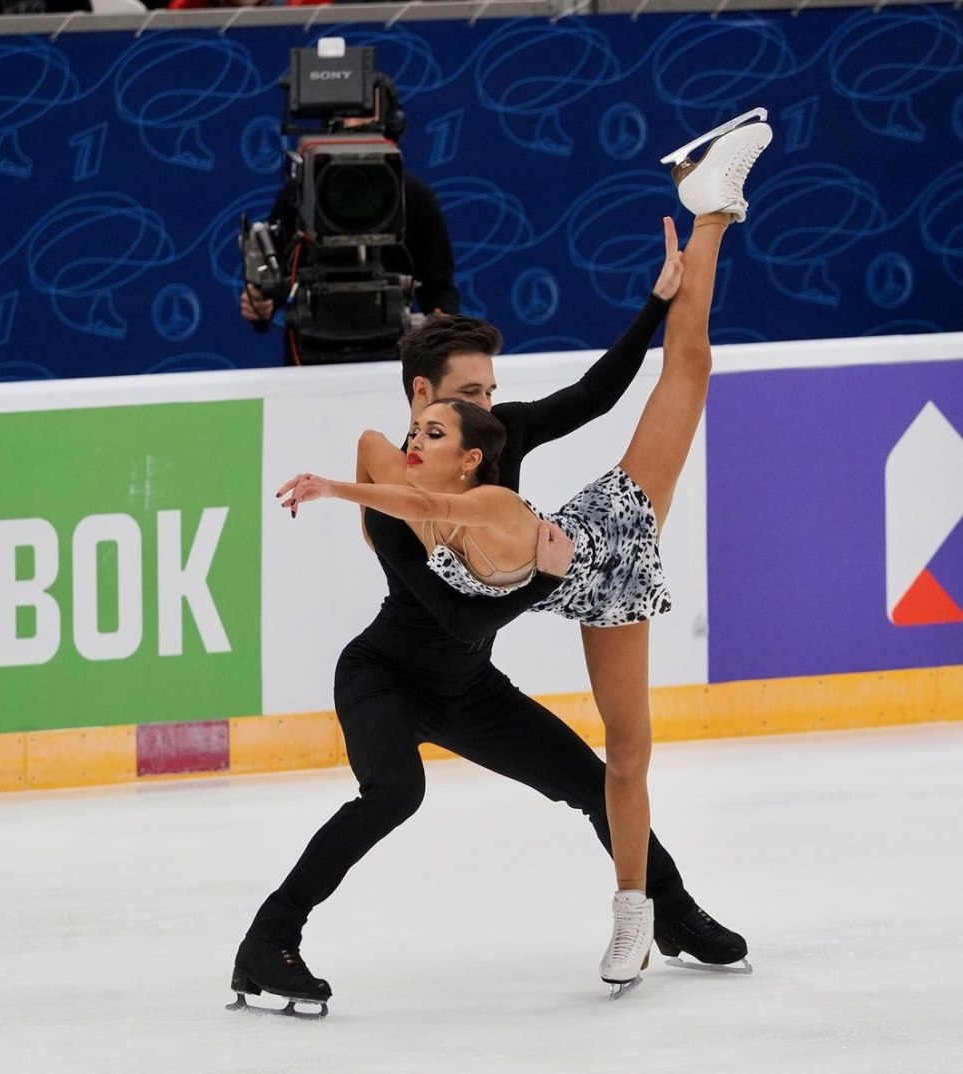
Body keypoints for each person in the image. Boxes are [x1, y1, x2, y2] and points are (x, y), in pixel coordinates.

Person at [231, 111, 769, 1011]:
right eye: (464, 399)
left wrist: (654, 298)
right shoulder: (404, 473)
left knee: (597, 783)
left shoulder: (499, 443)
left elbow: (595, 396)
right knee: (394, 794)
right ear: (421, 401)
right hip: (387, 675)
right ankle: (266, 941)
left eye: (489, 393)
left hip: (468, 679)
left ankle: (666, 909)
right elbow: (417, 524)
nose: (487, 409)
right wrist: (363, 495)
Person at [240, 73, 459, 365]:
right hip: (310, 353)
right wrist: (260, 304)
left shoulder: (416, 197)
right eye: (343, 113)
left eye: (363, 111)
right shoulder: (297, 195)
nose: (353, 123)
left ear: (392, 121)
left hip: (393, 353)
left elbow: (439, 288)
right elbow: (277, 279)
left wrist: (443, 324)